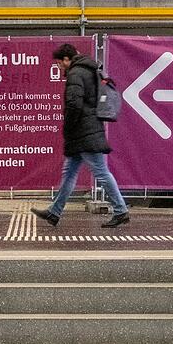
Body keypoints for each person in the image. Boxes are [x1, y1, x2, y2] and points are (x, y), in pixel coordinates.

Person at [31, 43, 130, 228]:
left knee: (101, 172)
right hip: (86, 129)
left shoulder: (76, 73)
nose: (59, 67)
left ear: (67, 60)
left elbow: (74, 105)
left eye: (60, 63)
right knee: (69, 173)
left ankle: (121, 210)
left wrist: (67, 127)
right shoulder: (88, 69)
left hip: (84, 131)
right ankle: (54, 212)